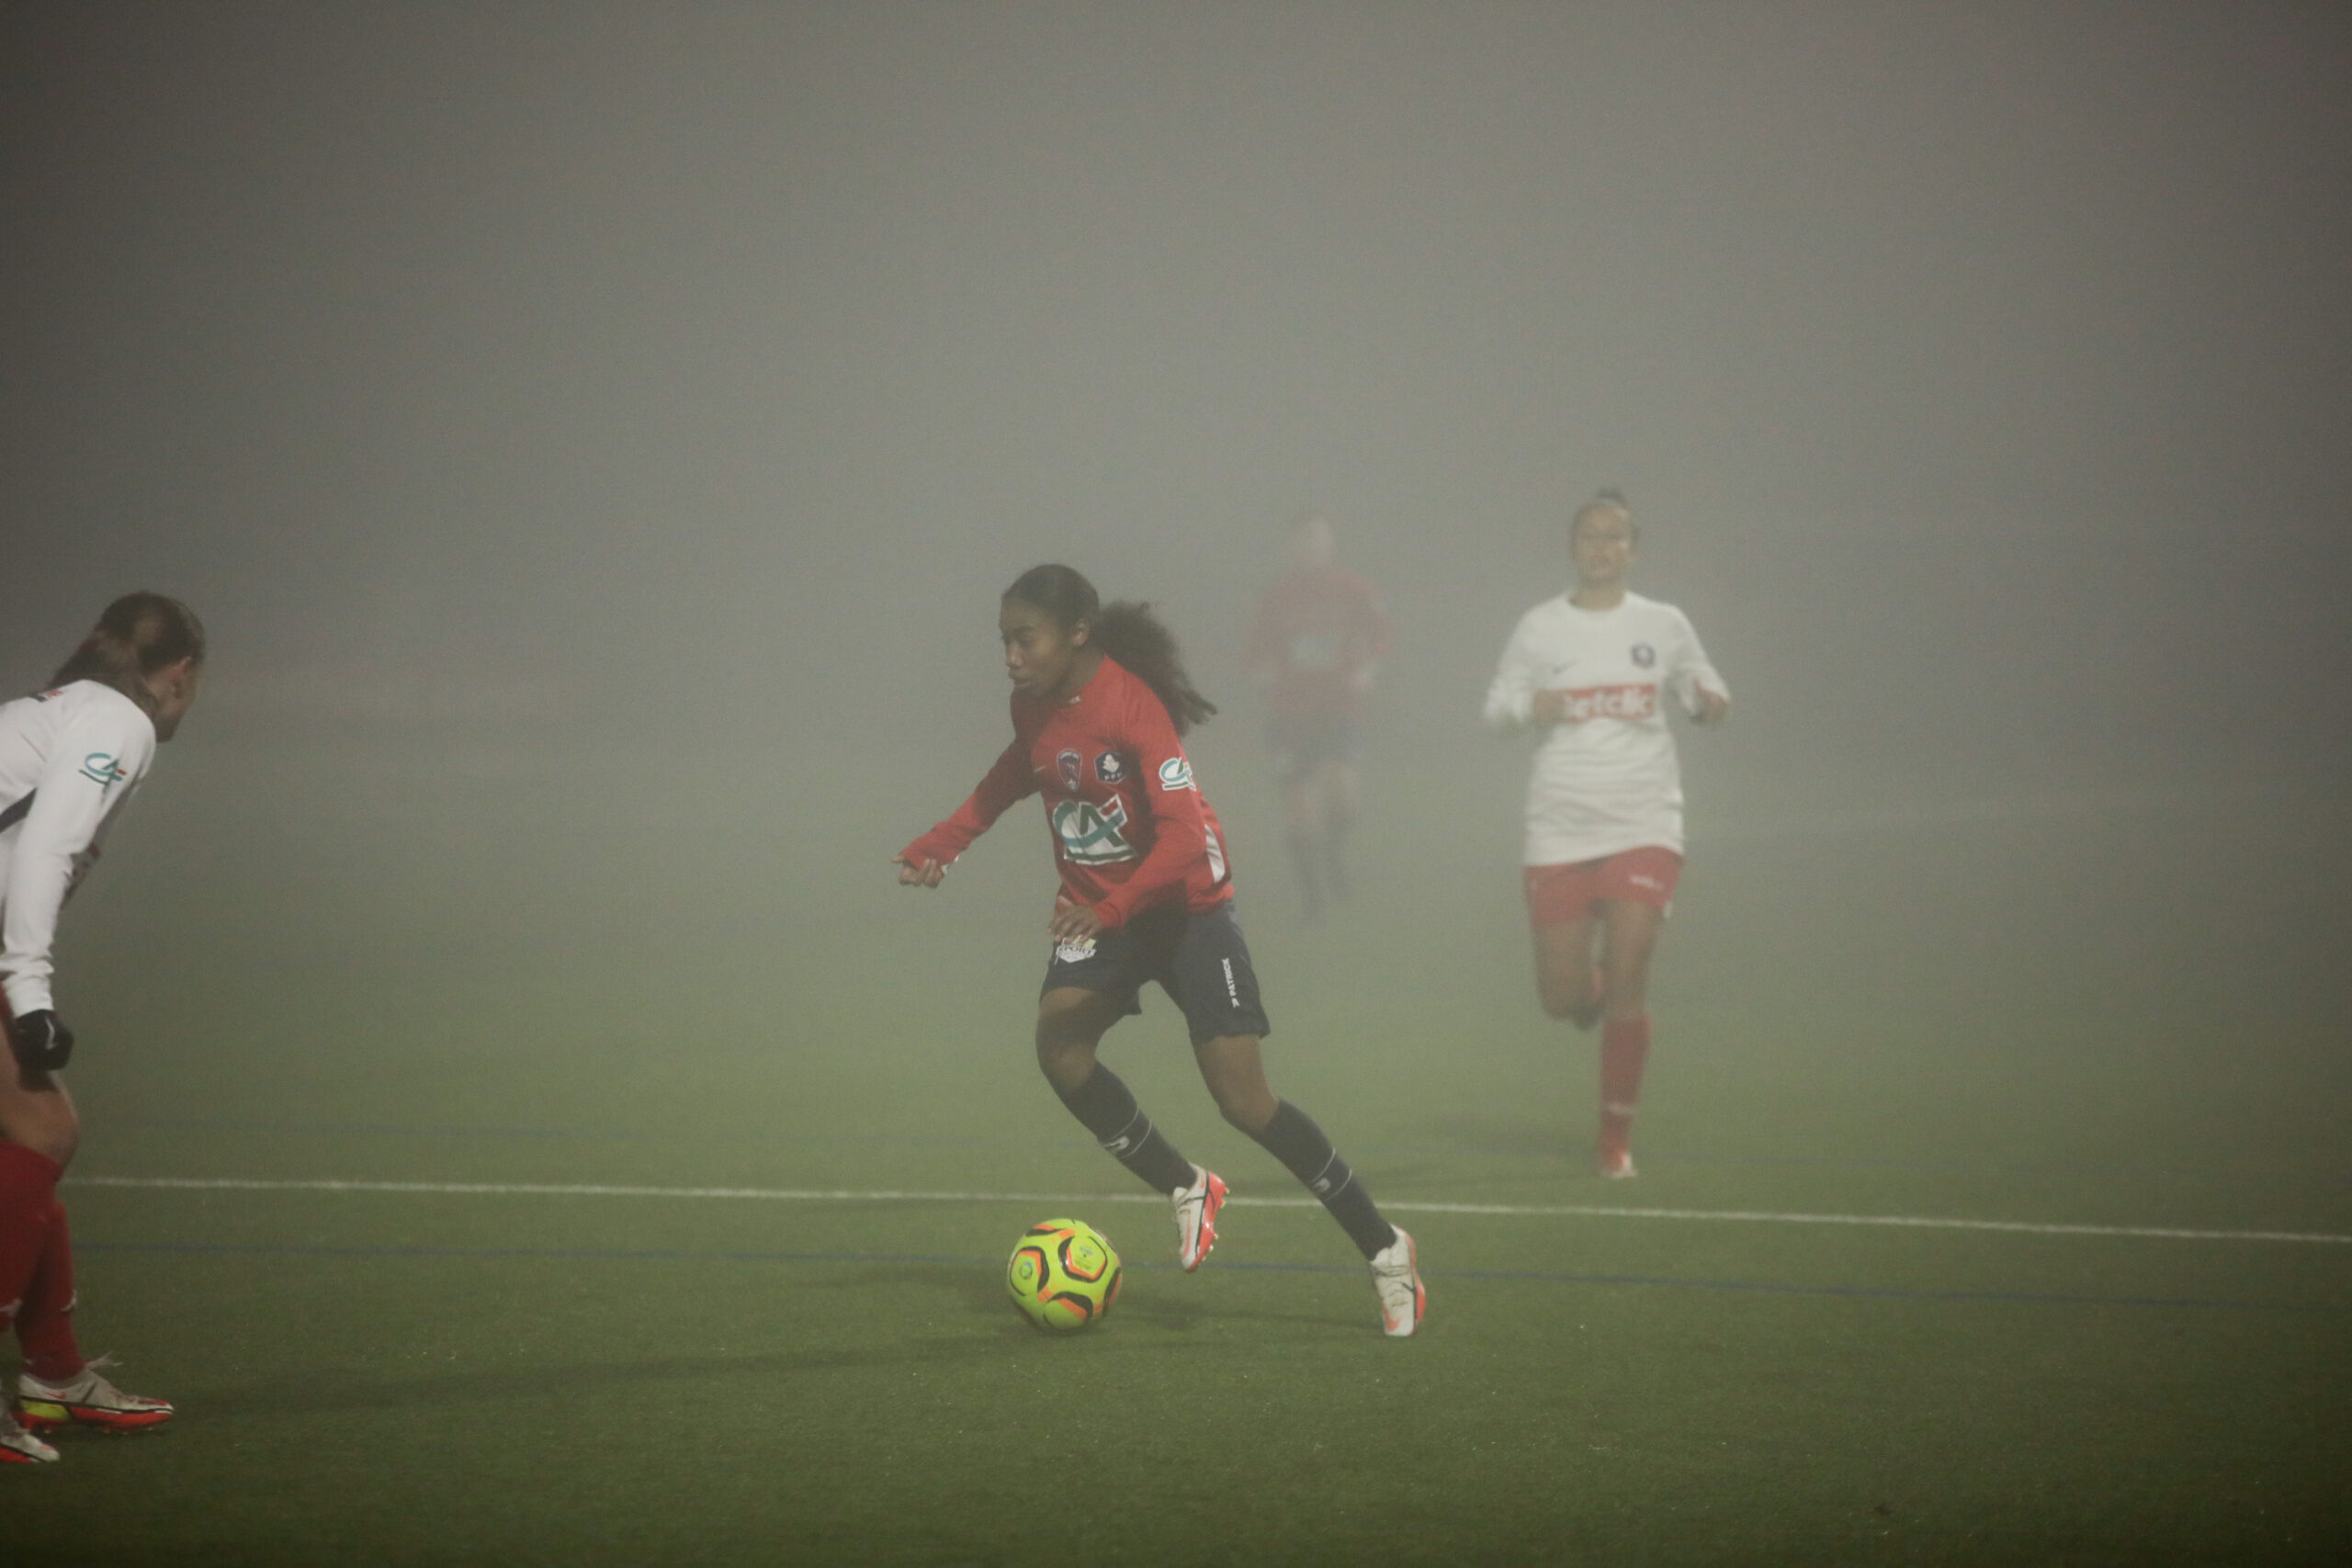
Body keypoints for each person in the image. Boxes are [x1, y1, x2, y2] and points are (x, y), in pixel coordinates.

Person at [895, 564, 1426, 1336]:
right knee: (1061, 1047)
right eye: (1004, 639)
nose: (1010, 654)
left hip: (1187, 908)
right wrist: (944, 842)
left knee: (1245, 1102)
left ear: (1077, 633)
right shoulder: (1032, 703)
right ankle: (1186, 1184)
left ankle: (1385, 1249)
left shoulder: (1131, 706)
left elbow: (1182, 836)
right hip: (1106, 913)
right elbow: (1019, 770)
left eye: (1024, 638)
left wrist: (1108, 904)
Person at [0, 592, 202, 1464]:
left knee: (41, 1131)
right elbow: (46, 846)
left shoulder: (64, 707)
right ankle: (52, 1375)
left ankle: (55, 1375)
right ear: (181, 674)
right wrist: (30, 991)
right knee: (42, 1130)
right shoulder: (119, 719)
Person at [1481, 492, 1729, 1179]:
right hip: (1559, 825)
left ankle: (1613, 1141)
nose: (1602, 547)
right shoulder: (1539, 628)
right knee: (1561, 998)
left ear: (1633, 548)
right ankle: (1587, 993)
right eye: (1591, 535)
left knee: (1630, 973)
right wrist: (1528, 706)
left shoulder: (1664, 623)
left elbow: (1704, 685)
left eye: (1615, 536)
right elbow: (1495, 710)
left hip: (1644, 819)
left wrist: (1709, 703)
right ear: (1573, 546)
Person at [1244, 514, 1392, 920]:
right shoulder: (1276, 597)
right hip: (1290, 710)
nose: (1311, 549)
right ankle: (1311, 900)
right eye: (1303, 542)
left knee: (1343, 790)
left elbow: (1381, 633)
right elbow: (1257, 649)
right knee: (1297, 806)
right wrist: (1263, 673)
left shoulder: (1355, 589)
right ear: (1291, 548)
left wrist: (1367, 668)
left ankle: (1333, 851)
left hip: (1340, 704)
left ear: (1330, 544)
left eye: (1318, 540)